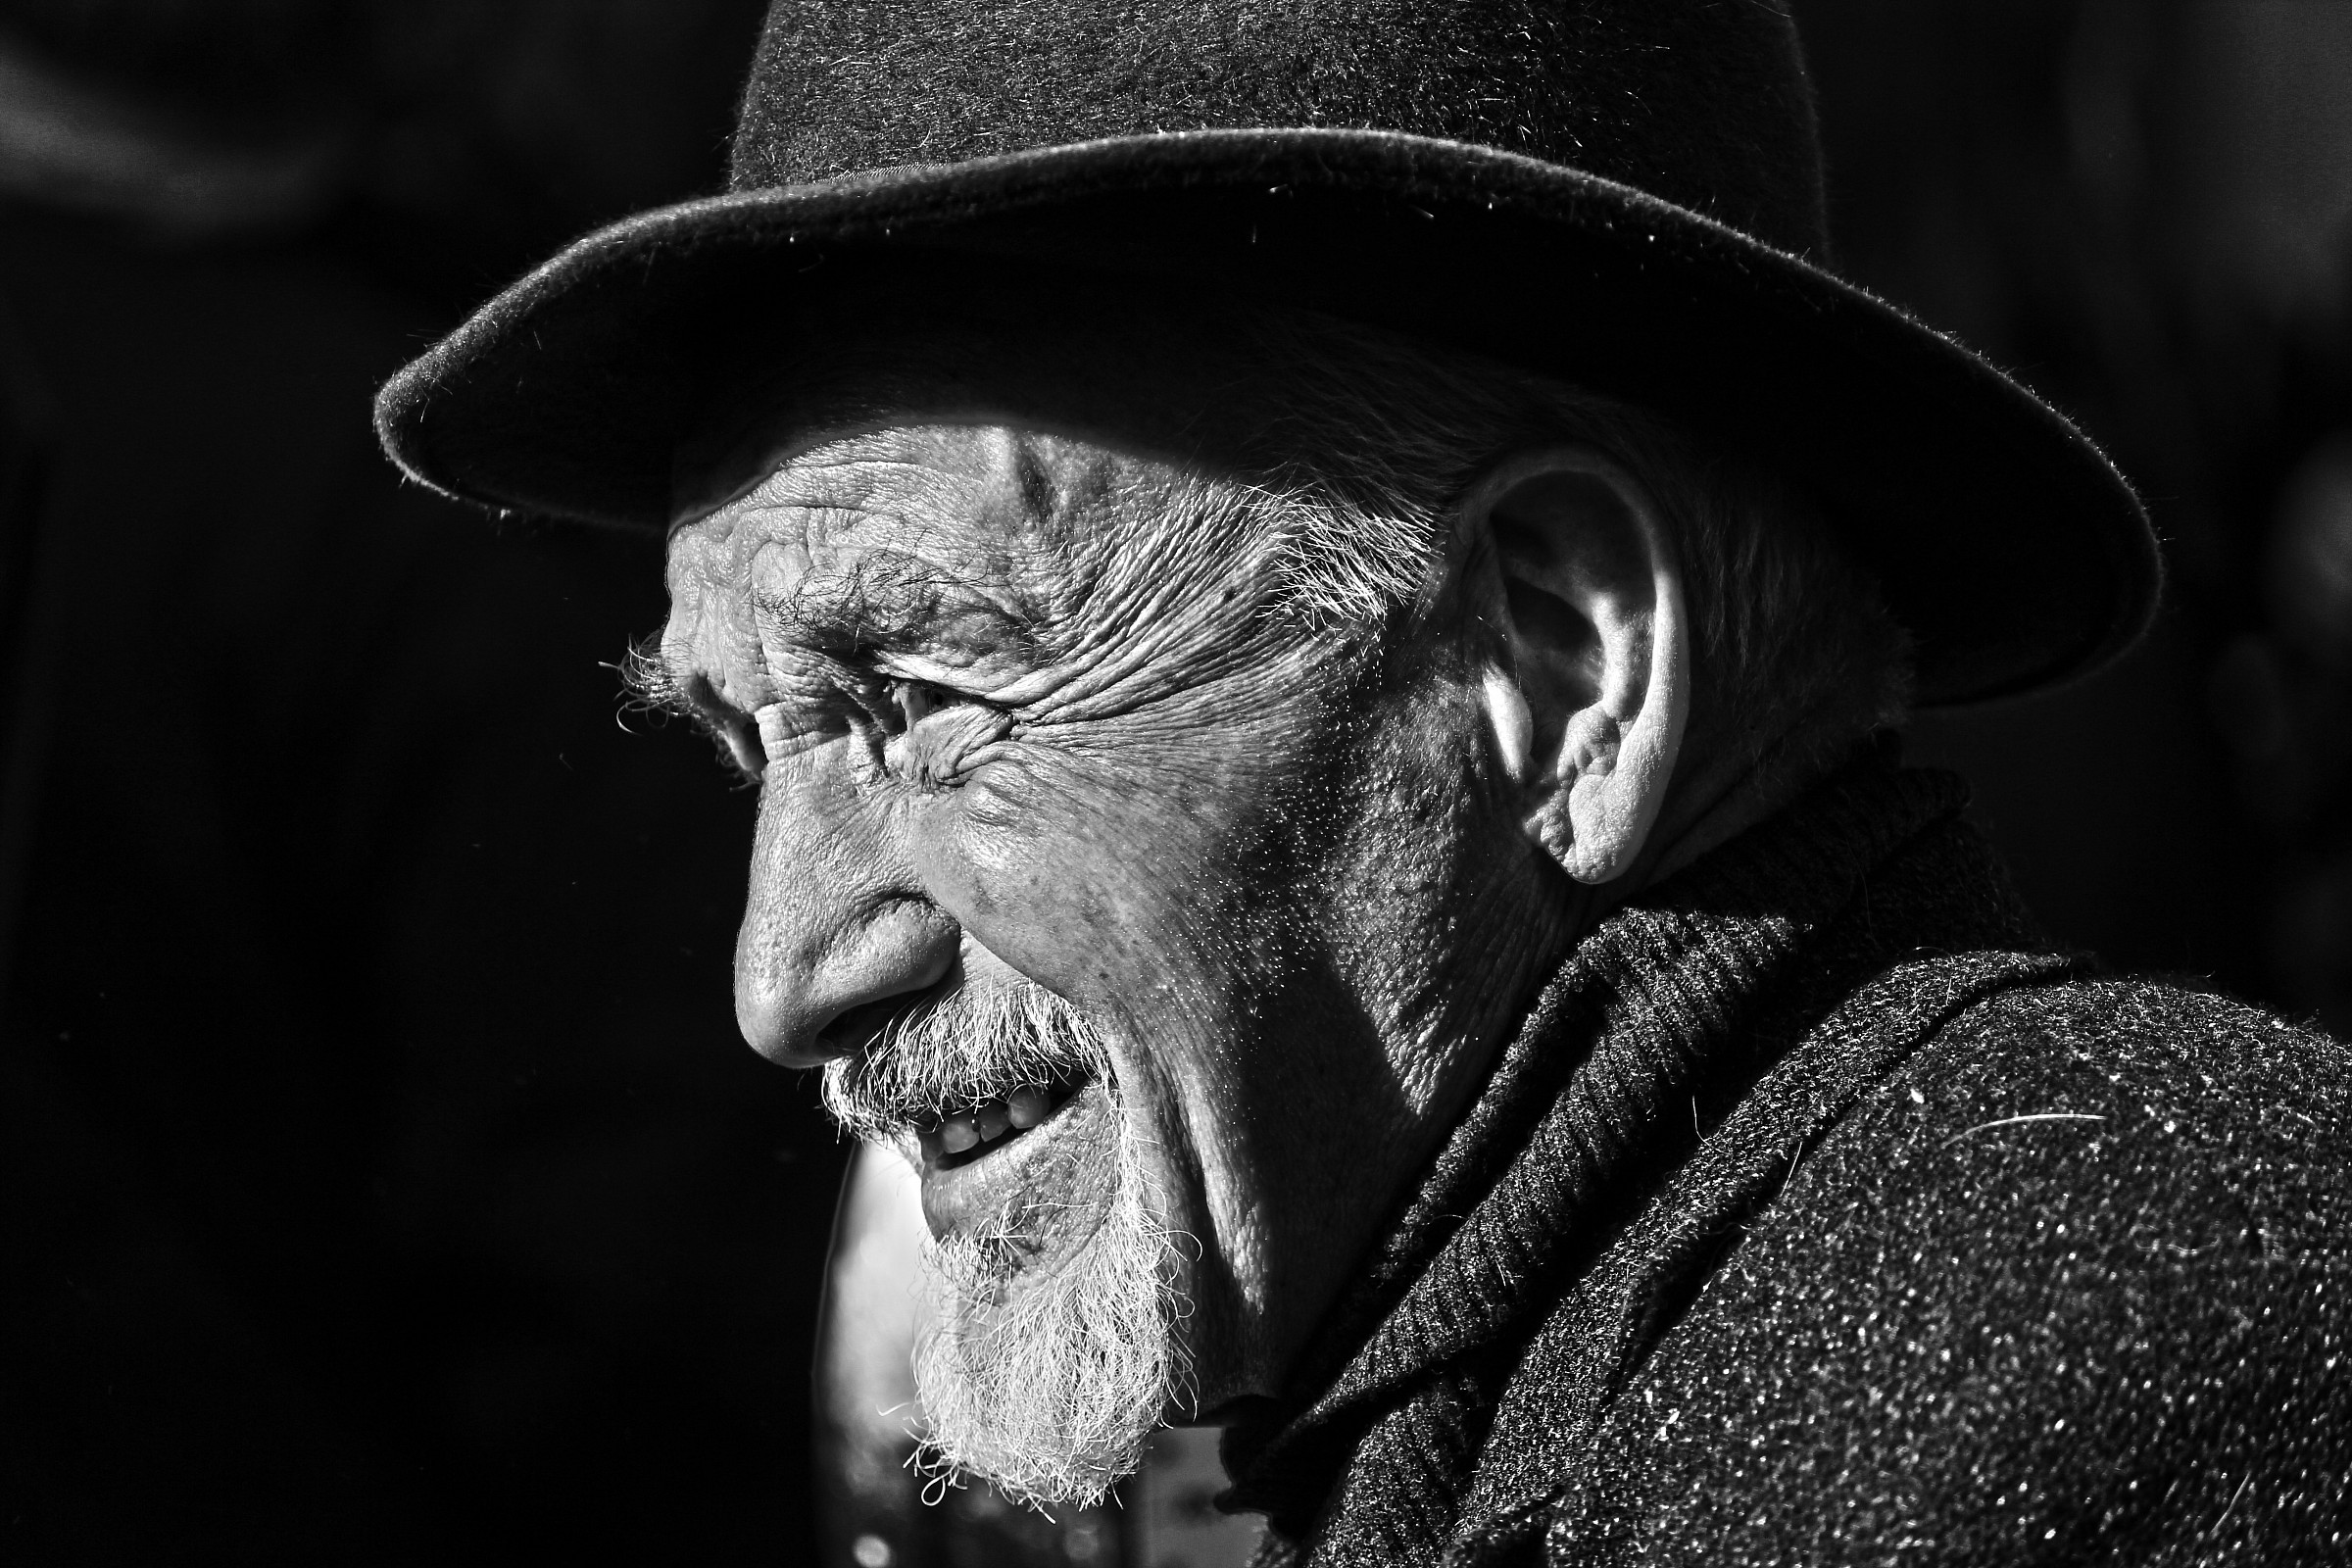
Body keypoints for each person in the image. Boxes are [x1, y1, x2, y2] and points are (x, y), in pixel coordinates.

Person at [374, 2, 2352, 1561]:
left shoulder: (2089, 1357)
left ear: (1563, 660)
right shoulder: (1533, 1383)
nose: (785, 967)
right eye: (750, 739)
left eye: (923, 690)